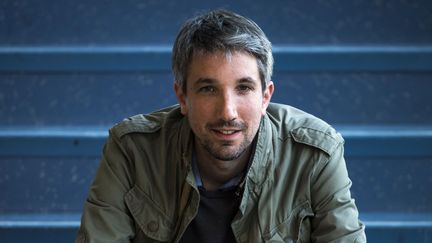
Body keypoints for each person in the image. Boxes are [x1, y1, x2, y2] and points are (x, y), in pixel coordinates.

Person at [75, 9, 366, 243]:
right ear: (182, 97)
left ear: (266, 97)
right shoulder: (132, 150)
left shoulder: (315, 153)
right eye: (208, 89)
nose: (227, 112)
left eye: (243, 88)